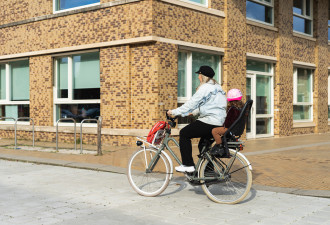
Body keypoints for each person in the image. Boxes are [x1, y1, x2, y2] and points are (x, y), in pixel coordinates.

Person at [167, 65, 227, 173]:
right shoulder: (218, 88)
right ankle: (208, 173)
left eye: (199, 75)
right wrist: (192, 113)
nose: (198, 77)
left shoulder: (205, 87)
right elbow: (211, 106)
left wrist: (174, 112)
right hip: (218, 122)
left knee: (184, 133)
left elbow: (191, 103)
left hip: (209, 121)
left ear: (203, 76)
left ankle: (188, 164)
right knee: (203, 145)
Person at [210, 89, 244, 157]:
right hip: (236, 129)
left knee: (214, 131)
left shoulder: (231, 109)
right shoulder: (241, 108)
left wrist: (222, 124)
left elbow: (228, 122)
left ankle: (219, 147)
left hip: (229, 129)